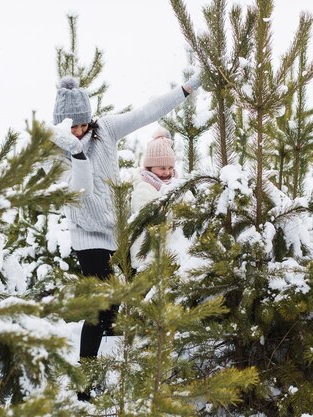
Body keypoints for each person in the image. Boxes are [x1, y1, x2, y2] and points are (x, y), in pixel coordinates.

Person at [48, 73, 201, 399]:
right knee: (100, 306)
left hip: (117, 233)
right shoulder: (56, 152)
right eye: (71, 127)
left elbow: (148, 111)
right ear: (60, 125)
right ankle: (85, 387)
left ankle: (113, 372)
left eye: (83, 124)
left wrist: (186, 90)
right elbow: (80, 190)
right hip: (88, 238)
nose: (79, 131)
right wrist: (76, 153)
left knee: (116, 310)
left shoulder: (106, 130)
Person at [129, 128, 178, 269]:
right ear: (150, 167)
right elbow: (152, 218)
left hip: (171, 254)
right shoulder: (143, 188)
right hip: (148, 257)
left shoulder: (176, 185)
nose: (167, 172)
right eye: (162, 168)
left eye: (170, 167)